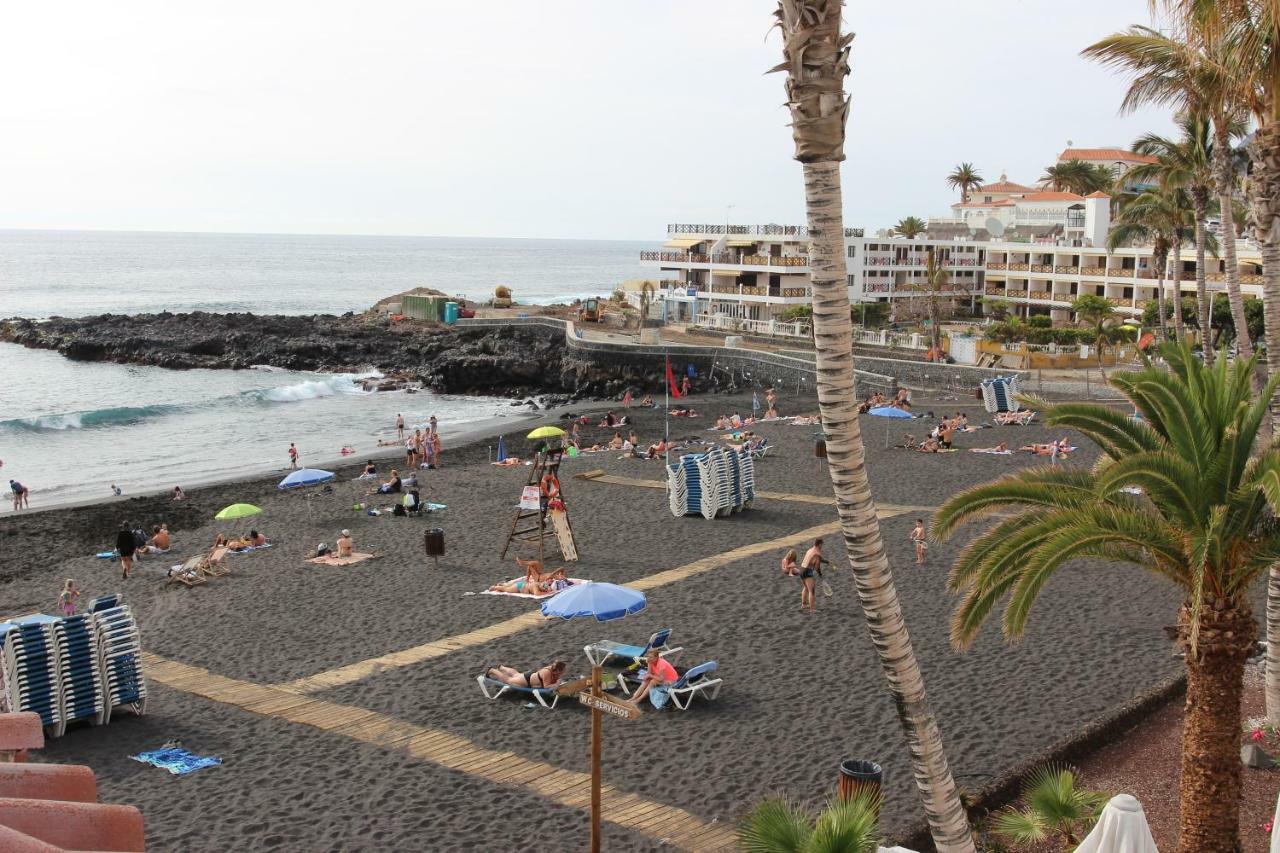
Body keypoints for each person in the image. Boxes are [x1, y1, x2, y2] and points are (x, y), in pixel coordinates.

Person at [484, 660, 566, 690]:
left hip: (529, 676)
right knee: (509, 680)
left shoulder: (553, 670)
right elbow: (546, 686)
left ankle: (502, 668)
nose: (563, 672)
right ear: (557, 670)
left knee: (516, 674)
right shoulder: (547, 673)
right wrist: (556, 684)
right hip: (526, 681)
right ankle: (492, 670)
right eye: (562, 671)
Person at [800, 539, 824, 613]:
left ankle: (803, 605)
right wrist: (820, 574)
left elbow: (810, 559)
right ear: (819, 544)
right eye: (822, 544)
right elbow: (817, 566)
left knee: (806, 588)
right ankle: (812, 609)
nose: (822, 546)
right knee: (812, 591)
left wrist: (827, 562)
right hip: (808, 571)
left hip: (801, 570)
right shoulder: (817, 553)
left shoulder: (810, 550)